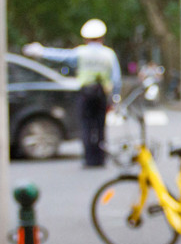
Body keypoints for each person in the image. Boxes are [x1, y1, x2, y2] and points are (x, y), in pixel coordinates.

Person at [23, 19, 122, 167]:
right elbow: (116, 79)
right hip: (101, 94)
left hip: (86, 93)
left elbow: (61, 56)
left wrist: (41, 51)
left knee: (86, 126)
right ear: (102, 37)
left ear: (86, 38)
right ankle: (100, 158)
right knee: (100, 127)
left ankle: (89, 159)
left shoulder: (81, 52)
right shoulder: (109, 54)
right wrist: (114, 98)